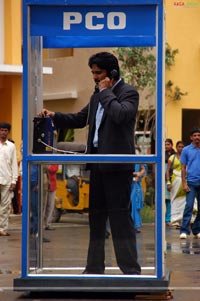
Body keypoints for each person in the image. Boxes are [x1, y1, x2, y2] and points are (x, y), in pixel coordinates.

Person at [38, 51, 141, 275]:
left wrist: (105, 92)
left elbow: (121, 116)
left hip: (117, 167)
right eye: (92, 73)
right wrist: (54, 115)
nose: (94, 77)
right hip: (97, 166)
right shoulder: (96, 97)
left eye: (99, 73)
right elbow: (79, 119)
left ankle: (131, 270)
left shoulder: (128, 93)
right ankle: (94, 268)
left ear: (112, 72)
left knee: (120, 218)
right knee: (96, 219)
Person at [179, 127, 200, 239]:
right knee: (189, 206)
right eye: (195, 135)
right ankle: (184, 230)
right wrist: (184, 183)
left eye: (199, 135)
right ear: (191, 137)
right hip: (191, 182)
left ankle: (196, 230)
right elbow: (183, 168)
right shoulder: (186, 150)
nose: (197, 137)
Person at [0, 122, 18, 236]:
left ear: (8, 132)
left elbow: (14, 164)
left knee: (5, 206)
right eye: (1, 130)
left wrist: (14, 180)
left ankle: (2, 229)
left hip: (7, 179)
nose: (3, 132)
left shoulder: (11, 146)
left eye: (5, 130)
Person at [166, 141, 185, 228]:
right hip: (175, 180)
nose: (180, 148)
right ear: (176, 147)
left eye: (182, 147)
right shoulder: (172, 157)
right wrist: (168, 182)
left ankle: (182, 220)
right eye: (179, 146)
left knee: (183, 200)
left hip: (184, 180)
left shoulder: (186, 157)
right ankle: (174, 220)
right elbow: (168, 170)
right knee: (174, 199)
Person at [131, 163, 147, 233]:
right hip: (128, 183)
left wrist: (139, 174)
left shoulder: (138, 158)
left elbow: (143, 169)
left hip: (136, 184)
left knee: (135, 204)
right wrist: (135, 173)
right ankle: (130, 225)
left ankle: (135, 225)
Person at [44, 164, 58, 230]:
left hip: (52, 185)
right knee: (43, 206)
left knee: (50, 206)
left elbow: (53, 169)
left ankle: (48, 224)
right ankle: (41, 224)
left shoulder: (53, 159)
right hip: (44, 185)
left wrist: (46, 166)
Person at [165, 138, 176, 226]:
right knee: (163, 199)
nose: (166, 146)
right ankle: (163, 219)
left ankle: (169, 219)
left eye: (168, 144)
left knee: (170, 200)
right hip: (163, 179)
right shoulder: (162, 154)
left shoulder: (175, 155)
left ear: (172, 145)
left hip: (172, 179)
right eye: (165, 144)